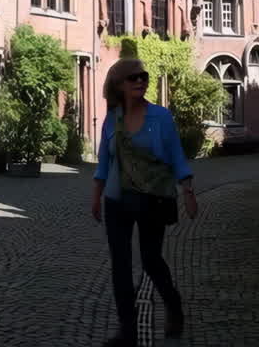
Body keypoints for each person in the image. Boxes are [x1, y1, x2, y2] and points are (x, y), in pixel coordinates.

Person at [92, 58, 197, 347]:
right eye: (133, 78)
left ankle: (173, 305)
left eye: (143, 76)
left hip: (153, 197)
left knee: (151, 259)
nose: (140, 81)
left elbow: (176, 155)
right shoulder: (112, 118)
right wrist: (96, 196)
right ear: (118, 85)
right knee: (121, 265)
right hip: (117, 199)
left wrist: (187, 190)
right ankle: (128, 332)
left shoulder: (161, 117)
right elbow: (104, 160)